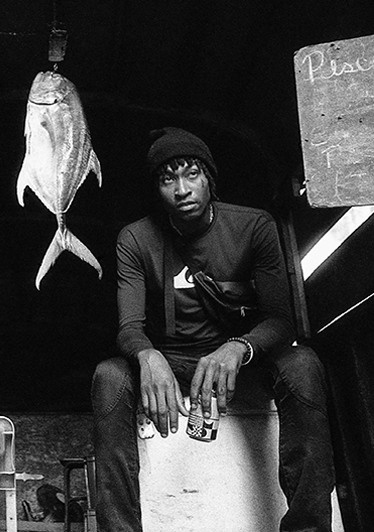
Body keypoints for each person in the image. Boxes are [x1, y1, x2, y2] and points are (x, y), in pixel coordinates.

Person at [91, 127, 335, 531]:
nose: (181, 189)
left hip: (236, 356)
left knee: (303, 363)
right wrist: (147, 355)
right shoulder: (135, 238)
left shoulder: (254, 226)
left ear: (210, 179)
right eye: (168, 179)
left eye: (191, 174)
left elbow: (281, 318)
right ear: (158, 189)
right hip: (170, 358)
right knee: (109, 376)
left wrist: (238, 347)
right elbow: (129, 327)